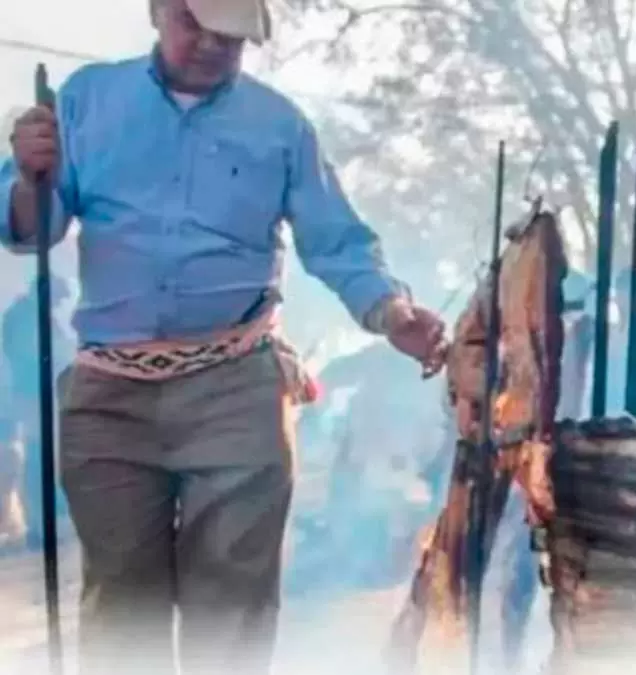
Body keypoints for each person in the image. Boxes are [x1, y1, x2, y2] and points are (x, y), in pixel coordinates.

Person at [1, 0, 447, 673]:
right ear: (157, 10)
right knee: (123, 606)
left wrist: (391, 312)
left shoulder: (280, 126)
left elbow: (339, 242)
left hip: (236, 386)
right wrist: (29, 174)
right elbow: (33, 229)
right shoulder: (86, 101)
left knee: (231, 608)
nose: (210, 43)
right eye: (193, 22)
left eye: (230, 34)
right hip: (109, 393)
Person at [1, 275, 74, 550]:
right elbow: (30, 356)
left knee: (45, 454)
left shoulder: (33, 315)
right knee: (37, 456)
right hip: (33, 395)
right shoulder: (23, 316)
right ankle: (39, 522)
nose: (57, 305)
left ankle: (46, 519)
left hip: (42, 393)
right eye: (56, 298)